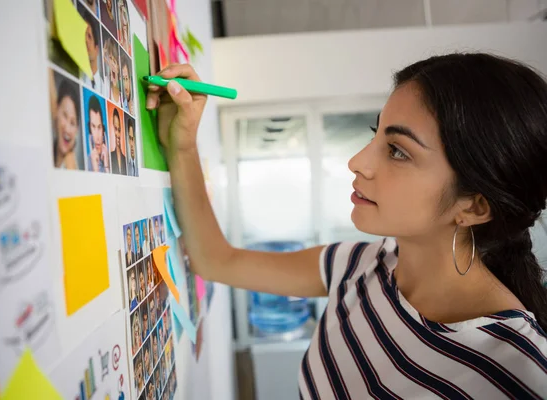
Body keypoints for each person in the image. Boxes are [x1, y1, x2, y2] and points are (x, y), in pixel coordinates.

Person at [146, 58, 547, 398]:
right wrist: (181, 144)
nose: (357, 162)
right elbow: (217, 260)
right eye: (377, 135)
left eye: (397, 151)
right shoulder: (363, 265)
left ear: (474, 205)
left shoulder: (519, 375)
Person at [49, 71, 81, 169]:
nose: (67, 128)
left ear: (77, 129)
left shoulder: (71, 165)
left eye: (72, 123)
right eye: (64, 115)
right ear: (56, 110)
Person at [78, 5, 105, 93]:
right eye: (83, 35)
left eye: (89, 36)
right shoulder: (79, 78)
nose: (85, 40)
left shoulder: (105, 88)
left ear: (96, 49)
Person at [86, 94, 110, 172]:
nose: (97, 137)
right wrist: (95, 168)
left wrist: (106, 164)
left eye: (99, 127)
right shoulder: (87, 162)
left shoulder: (109, 159)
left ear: (103, 130)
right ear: (90, 130)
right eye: (93, 127)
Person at [103, 36, 122, 104]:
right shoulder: (104, 82)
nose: (112, 64)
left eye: (114, 61)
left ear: (118, 66)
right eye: (110, 58)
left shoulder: (122, 95)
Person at [110, 108, 127, 174]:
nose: (117, 134)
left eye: (119, 130)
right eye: (115, 129)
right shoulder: (110, 157)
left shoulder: (125, 159)